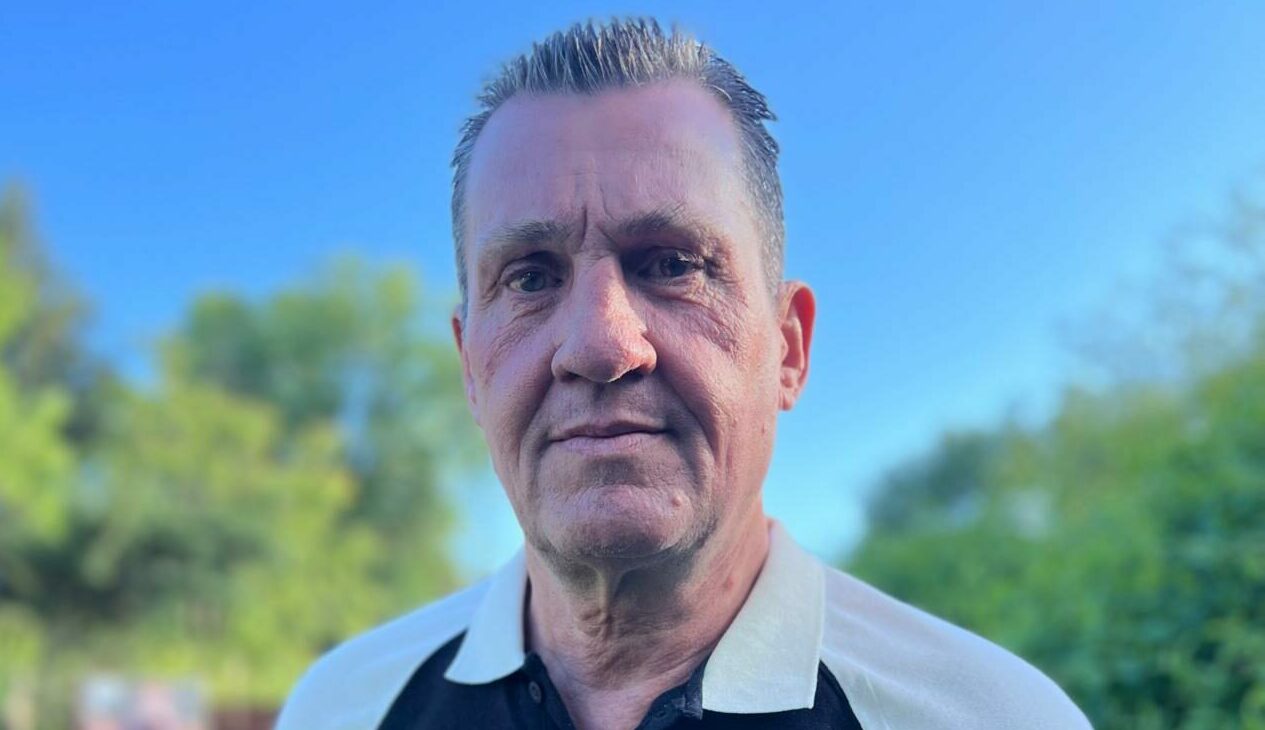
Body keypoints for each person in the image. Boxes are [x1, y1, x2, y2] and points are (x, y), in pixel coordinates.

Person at [276, 18, 1092, 730]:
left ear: (788, 348)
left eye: (671, 264)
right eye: (529, 277)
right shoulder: (342, 710)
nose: (600, 345)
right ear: (468, 368)